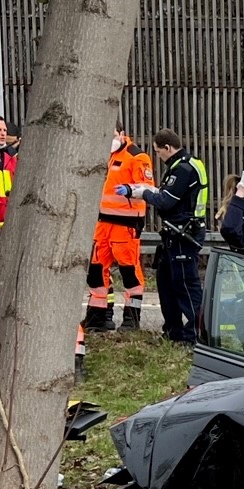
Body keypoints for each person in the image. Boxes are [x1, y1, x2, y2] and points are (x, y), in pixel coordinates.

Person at [117, 129, 206, 343]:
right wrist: (138, 190)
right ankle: (173, 333)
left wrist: (143, 193)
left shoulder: (183, 169)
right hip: (173, 234)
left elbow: (166, 201)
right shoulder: (182, 165)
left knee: (186, 287)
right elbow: (165, 194)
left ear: (167, 148)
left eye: (158, 152)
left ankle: (194, 338)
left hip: (184, 235)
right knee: (166, 285)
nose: (158, 156)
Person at [87, 123, 152, 332]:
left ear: (122, 134)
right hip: (102, 223)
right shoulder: (103, 155)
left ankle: (131, 319)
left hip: (126, 225)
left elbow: (148, 188)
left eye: (112, 134)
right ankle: (98, 318)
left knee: (129, 272)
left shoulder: (137, 157)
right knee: (96, 271)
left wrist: (129, 189)